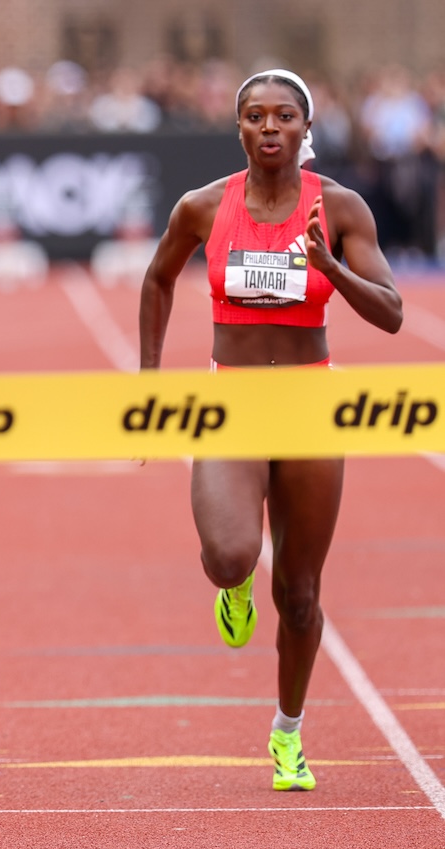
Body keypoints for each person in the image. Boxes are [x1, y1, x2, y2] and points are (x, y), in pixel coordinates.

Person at [139, 70, 402, 791]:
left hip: (312, 405)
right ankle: (233, 590)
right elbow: (158, 278)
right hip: (234, 402)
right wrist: (149, 380)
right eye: (254, 116)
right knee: (229, 556)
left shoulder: (340, 208)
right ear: (240, 129)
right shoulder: (202, 206)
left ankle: (287, 732)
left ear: (304, 127)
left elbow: (391, 311)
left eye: (284, 116)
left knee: (303, 594)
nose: (269, 128)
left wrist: (329, 269)